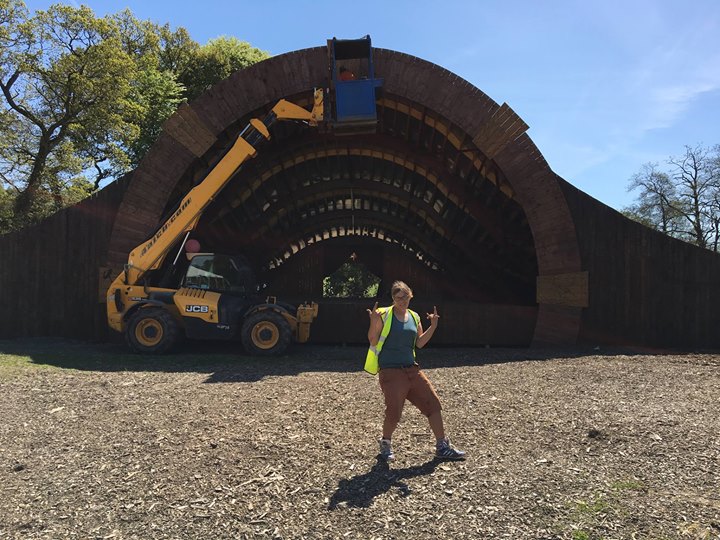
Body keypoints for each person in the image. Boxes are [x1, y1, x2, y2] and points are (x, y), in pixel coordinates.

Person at [366, 281, 466, 462]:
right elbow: (373, 340)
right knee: (394, 412)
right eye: (399, 298)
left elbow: (419, 343)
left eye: (405, 297)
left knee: (433, 403)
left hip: (411, 369)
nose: (402, 301)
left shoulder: (414, 316)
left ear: (410, 296)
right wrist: (373, 322)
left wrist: (433, 326)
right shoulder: (383, 315)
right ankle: (386, 443)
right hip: (391, 371)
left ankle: (442, 447)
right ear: (393, 298)